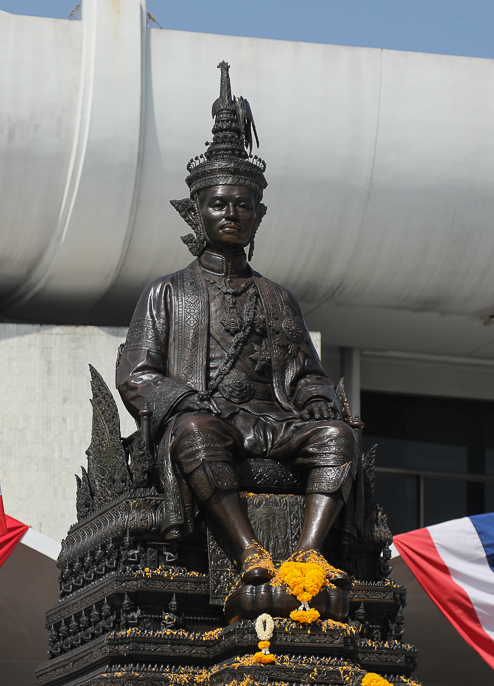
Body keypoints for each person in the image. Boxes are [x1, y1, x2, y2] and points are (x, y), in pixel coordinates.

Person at [117, 62, 357, 589]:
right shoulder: (167, 292)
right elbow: (136, 374)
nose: (232, 214)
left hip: (273, 422)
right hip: (210, 419)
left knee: (337, 436)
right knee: (197, 434)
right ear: (195, 212)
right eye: (219, 205)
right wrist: (183, 400)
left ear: (258, 215)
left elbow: (304, 372)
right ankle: (249, 551)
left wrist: (316, 395)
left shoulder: (277, 298)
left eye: (243, 206)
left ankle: (308, 556)